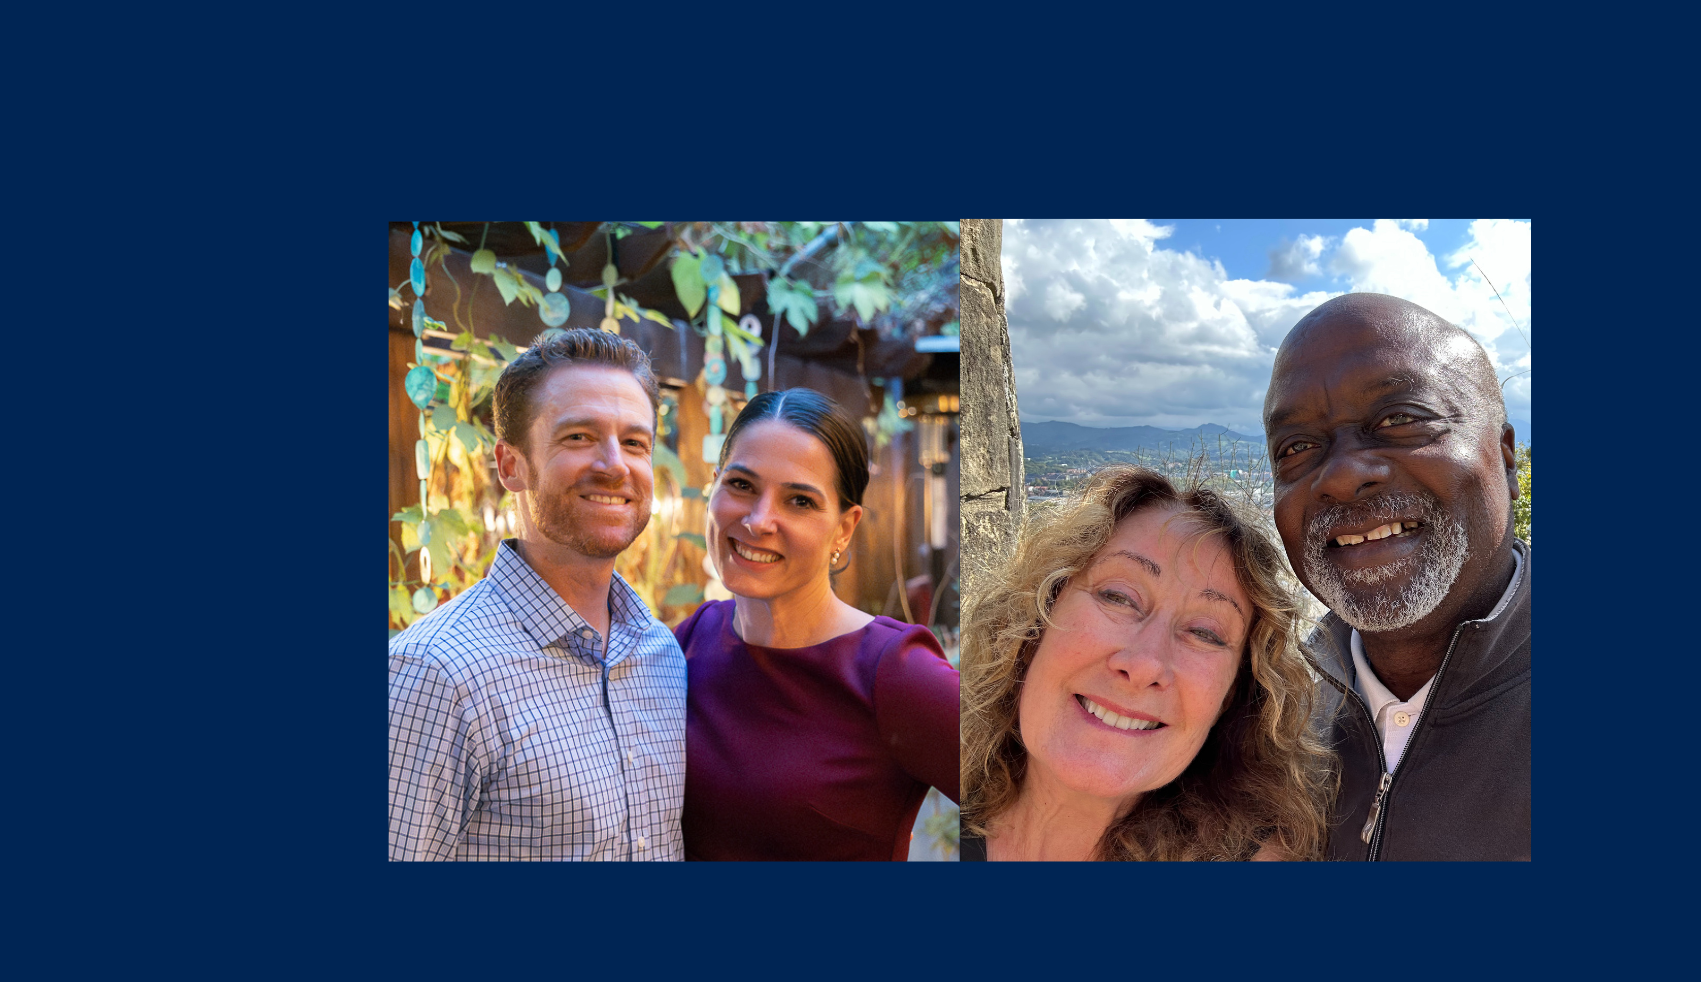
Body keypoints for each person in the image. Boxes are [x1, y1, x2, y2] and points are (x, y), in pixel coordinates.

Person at [389, 328, 687, 861]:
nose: (615, 464)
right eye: (578, 436)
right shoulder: (435, 673)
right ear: (511, 466)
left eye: (635, 442)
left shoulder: (661, 656)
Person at [1263, 292, 1530, 861]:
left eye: (1400, 419)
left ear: (1507, 459)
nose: (1341, 476)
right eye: (1298, 447)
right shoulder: (1270, 733)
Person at [958, 466, 1331, 861]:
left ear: (1228, 698)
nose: (1145, 664)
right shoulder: (920, 802)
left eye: (1204, 633)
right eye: (1118, 597)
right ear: (1033, 623)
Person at [674, 388, 959, 860]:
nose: (759, 520)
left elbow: (1039, 804)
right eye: (741, 485)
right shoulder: (692, 639)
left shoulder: (891, 671)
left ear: (844, 528)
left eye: (799, 501)